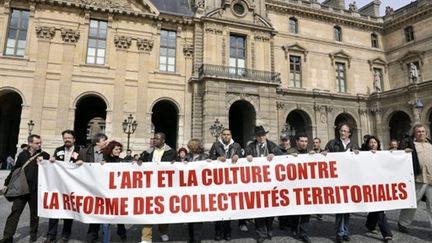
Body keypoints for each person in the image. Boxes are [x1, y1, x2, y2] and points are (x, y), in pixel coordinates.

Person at [1, 135, 50, 243]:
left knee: (34, 214)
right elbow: (15, 169)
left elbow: (50, 169)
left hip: (35, 190)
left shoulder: (45, 155)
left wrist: (45, 161)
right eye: (37, 143)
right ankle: (7, 237)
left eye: (40, 143)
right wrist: (6, 183)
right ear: (30, 144)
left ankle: (33, 235)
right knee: (14, 213)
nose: (39, 145)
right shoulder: (22, 155)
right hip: (21, 190)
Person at [245, 126, 283, 243]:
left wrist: (275, 156)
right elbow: (243, 158)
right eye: (258, 136)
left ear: (265, 136)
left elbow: (283, 157)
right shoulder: (250, 147)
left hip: (270, 184)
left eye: (263, 135)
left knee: (270, 209)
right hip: (256, 184)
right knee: (259, 209)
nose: (261, 138)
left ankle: (269, 229)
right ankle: (261, 232)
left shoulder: (272, 146)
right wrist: (247, 157)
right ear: (256, 137)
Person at [325, 123, 359, 243]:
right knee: (340, 207)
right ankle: (340, 232)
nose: (342, 133)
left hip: (350, 179)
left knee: (347, 208)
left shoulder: (354, 145)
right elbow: (325, 156)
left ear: (349, 133)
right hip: (337, 179)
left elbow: (359, 161)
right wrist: (323, 154)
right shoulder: (332, 143)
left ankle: (345, 230)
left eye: (345, 131)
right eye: (341, 131)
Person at [44, 130, 80, 243]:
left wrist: (81, 162)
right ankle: (51, 235)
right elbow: (52, 163)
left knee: (69, 210)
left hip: (72, 186)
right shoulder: (58, 150)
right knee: (54, 209)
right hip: (58, 185)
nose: (67, 139)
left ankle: (65, 234)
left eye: (69, 137)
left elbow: (86, 163)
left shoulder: (80, 150)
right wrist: (51, 161)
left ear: (74, 139)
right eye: (65, 138)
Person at [140, 132, 177, 243]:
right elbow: (140, 162)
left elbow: (178, 168)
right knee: (147, 209)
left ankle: (163, 231)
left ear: (163, 141)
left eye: (156, 139)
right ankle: (146, 237)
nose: (154, 140)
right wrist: (139, 161)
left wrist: (176, 163)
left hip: (164, 186)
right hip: (149, 184)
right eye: (153, 138)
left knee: (163, 209)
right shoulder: (147, 152)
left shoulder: (172, 152)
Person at [398, 124, 432, 233]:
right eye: (418, 132)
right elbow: (399, 155)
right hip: (418, 178)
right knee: (413, 203)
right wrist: (404, 152)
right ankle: (403, 223)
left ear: (426, 133)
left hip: (431, 179)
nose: (421, 133)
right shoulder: (411, 144)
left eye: (423, 131)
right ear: (415, 133)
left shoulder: (431, 144)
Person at [209, 129, 242, 241]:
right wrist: (216, 159)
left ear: (231, 135)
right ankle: (218, 231)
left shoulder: (236, 145)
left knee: (229, 208)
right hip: (218, 181)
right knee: (219, 208)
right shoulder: (216, 145)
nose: (226, 136)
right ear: (221, 135)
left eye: (228, 134)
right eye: (224, 134)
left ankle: (228, 231)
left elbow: (243, 161)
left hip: (232, 181)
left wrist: (238, 157)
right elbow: (210, 158)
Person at [76, 133, 108, 243]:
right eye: (104, 140)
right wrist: (78, 163)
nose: (106, 143)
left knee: (101, 210)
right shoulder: (84, 152)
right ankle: (92, 233)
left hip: (103, 187)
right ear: (98, 142)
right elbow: (74, 167)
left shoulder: (107, 153)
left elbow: (116, 163)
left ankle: (98, 233)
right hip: (89, 186)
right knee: (92, 209)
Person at [362, 136, 393, 242]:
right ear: (368, 144)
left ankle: (379, 229)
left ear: (378, 144)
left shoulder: (383, 155)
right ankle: (379, 229)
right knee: (376, 208)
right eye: (370, 142)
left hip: (380, 185)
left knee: (379, 208)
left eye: (374, 142)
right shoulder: (363, 155)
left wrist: (405, 153)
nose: (373, 144)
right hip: (368, 185)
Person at [285, 133, 312, 243]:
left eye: (306, 141)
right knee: (295, 211)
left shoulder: (311, 153)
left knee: (306, 212)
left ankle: (303, 232)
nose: (304, 143)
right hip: (294, 187)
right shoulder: (290, 152)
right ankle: (293, 227)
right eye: (302, 141)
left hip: (307, 187)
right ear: (297, 142)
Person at [100, 141, 127, 243]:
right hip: (106, 194)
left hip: (118, 194)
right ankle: (106, 240)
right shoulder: (104, 161)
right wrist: (100, 166)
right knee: (106, 221)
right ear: (111, 149)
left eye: (119, 149)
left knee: (119, 217)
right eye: (116, 149)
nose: (118, 151)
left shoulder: (122, 161)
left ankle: (122, 233)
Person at [184, 139, 208, 243]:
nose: (190, 148)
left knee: (198, 217)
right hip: (189, 190)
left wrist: (210, 163)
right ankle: (191, 237)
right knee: (190, 217)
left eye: (191, 146)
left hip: (200, 190)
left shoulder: (205, 157)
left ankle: (197, 239)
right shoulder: (188, 157)